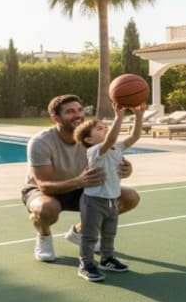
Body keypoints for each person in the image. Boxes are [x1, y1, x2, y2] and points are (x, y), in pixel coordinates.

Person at [22, 94, 140, 262]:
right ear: (56, 117)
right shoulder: (41, 142)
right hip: (45, 190)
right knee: (45, 209)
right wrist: (79, 181)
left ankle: (79, 232)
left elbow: (113, 156)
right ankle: (44, 237)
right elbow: (44, 185)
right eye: (70, 112)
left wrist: (126, 169)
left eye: (79, 110)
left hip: (82, 186)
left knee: (129, 197)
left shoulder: (92, 138)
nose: (77, 115)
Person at [72, 102, 144, 282]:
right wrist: (119, 117)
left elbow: (135, 136)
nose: (104, 130)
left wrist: (139, 115)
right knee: (89, 236)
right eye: (99, 129)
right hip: (94, 200)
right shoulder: (95, 151)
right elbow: (111, 139)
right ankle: (86, 264)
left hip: (112, 199)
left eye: (105, 127)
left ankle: (107, 259)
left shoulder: (116, 147)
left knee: (109, 233)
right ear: (88, 139)